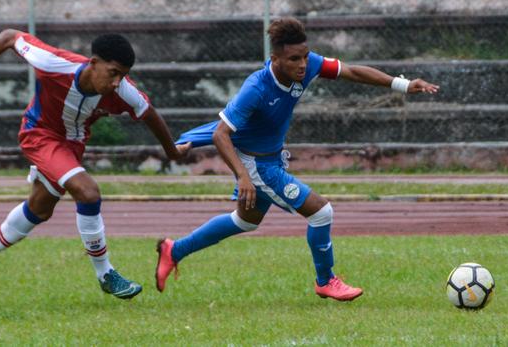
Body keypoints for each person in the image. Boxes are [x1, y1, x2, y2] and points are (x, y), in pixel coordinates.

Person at [155, 17, 439, 301]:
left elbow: (351, 71)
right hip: (257, 166)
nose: (303, 64)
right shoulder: (256, 88)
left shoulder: (309, 65)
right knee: (321, 212)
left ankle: (174, 249)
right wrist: (243, 176)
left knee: (244, 222)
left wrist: (402, 85)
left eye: (304, 56)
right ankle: (326, 281)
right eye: (294, 59)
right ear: (275, 58)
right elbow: (220, 134)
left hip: (271, 159)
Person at [0, 29, 191, 301]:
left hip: (72, 146)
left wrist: (172, 151)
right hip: (39, 135)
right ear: (93, 63)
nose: (117, 82)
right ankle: (105, 274)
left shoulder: (123, 90)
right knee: (88, 192)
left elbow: (149, 115)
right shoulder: (53, 64)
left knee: (39, 208)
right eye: (113, 72)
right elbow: (10, 36)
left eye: (123, 75)